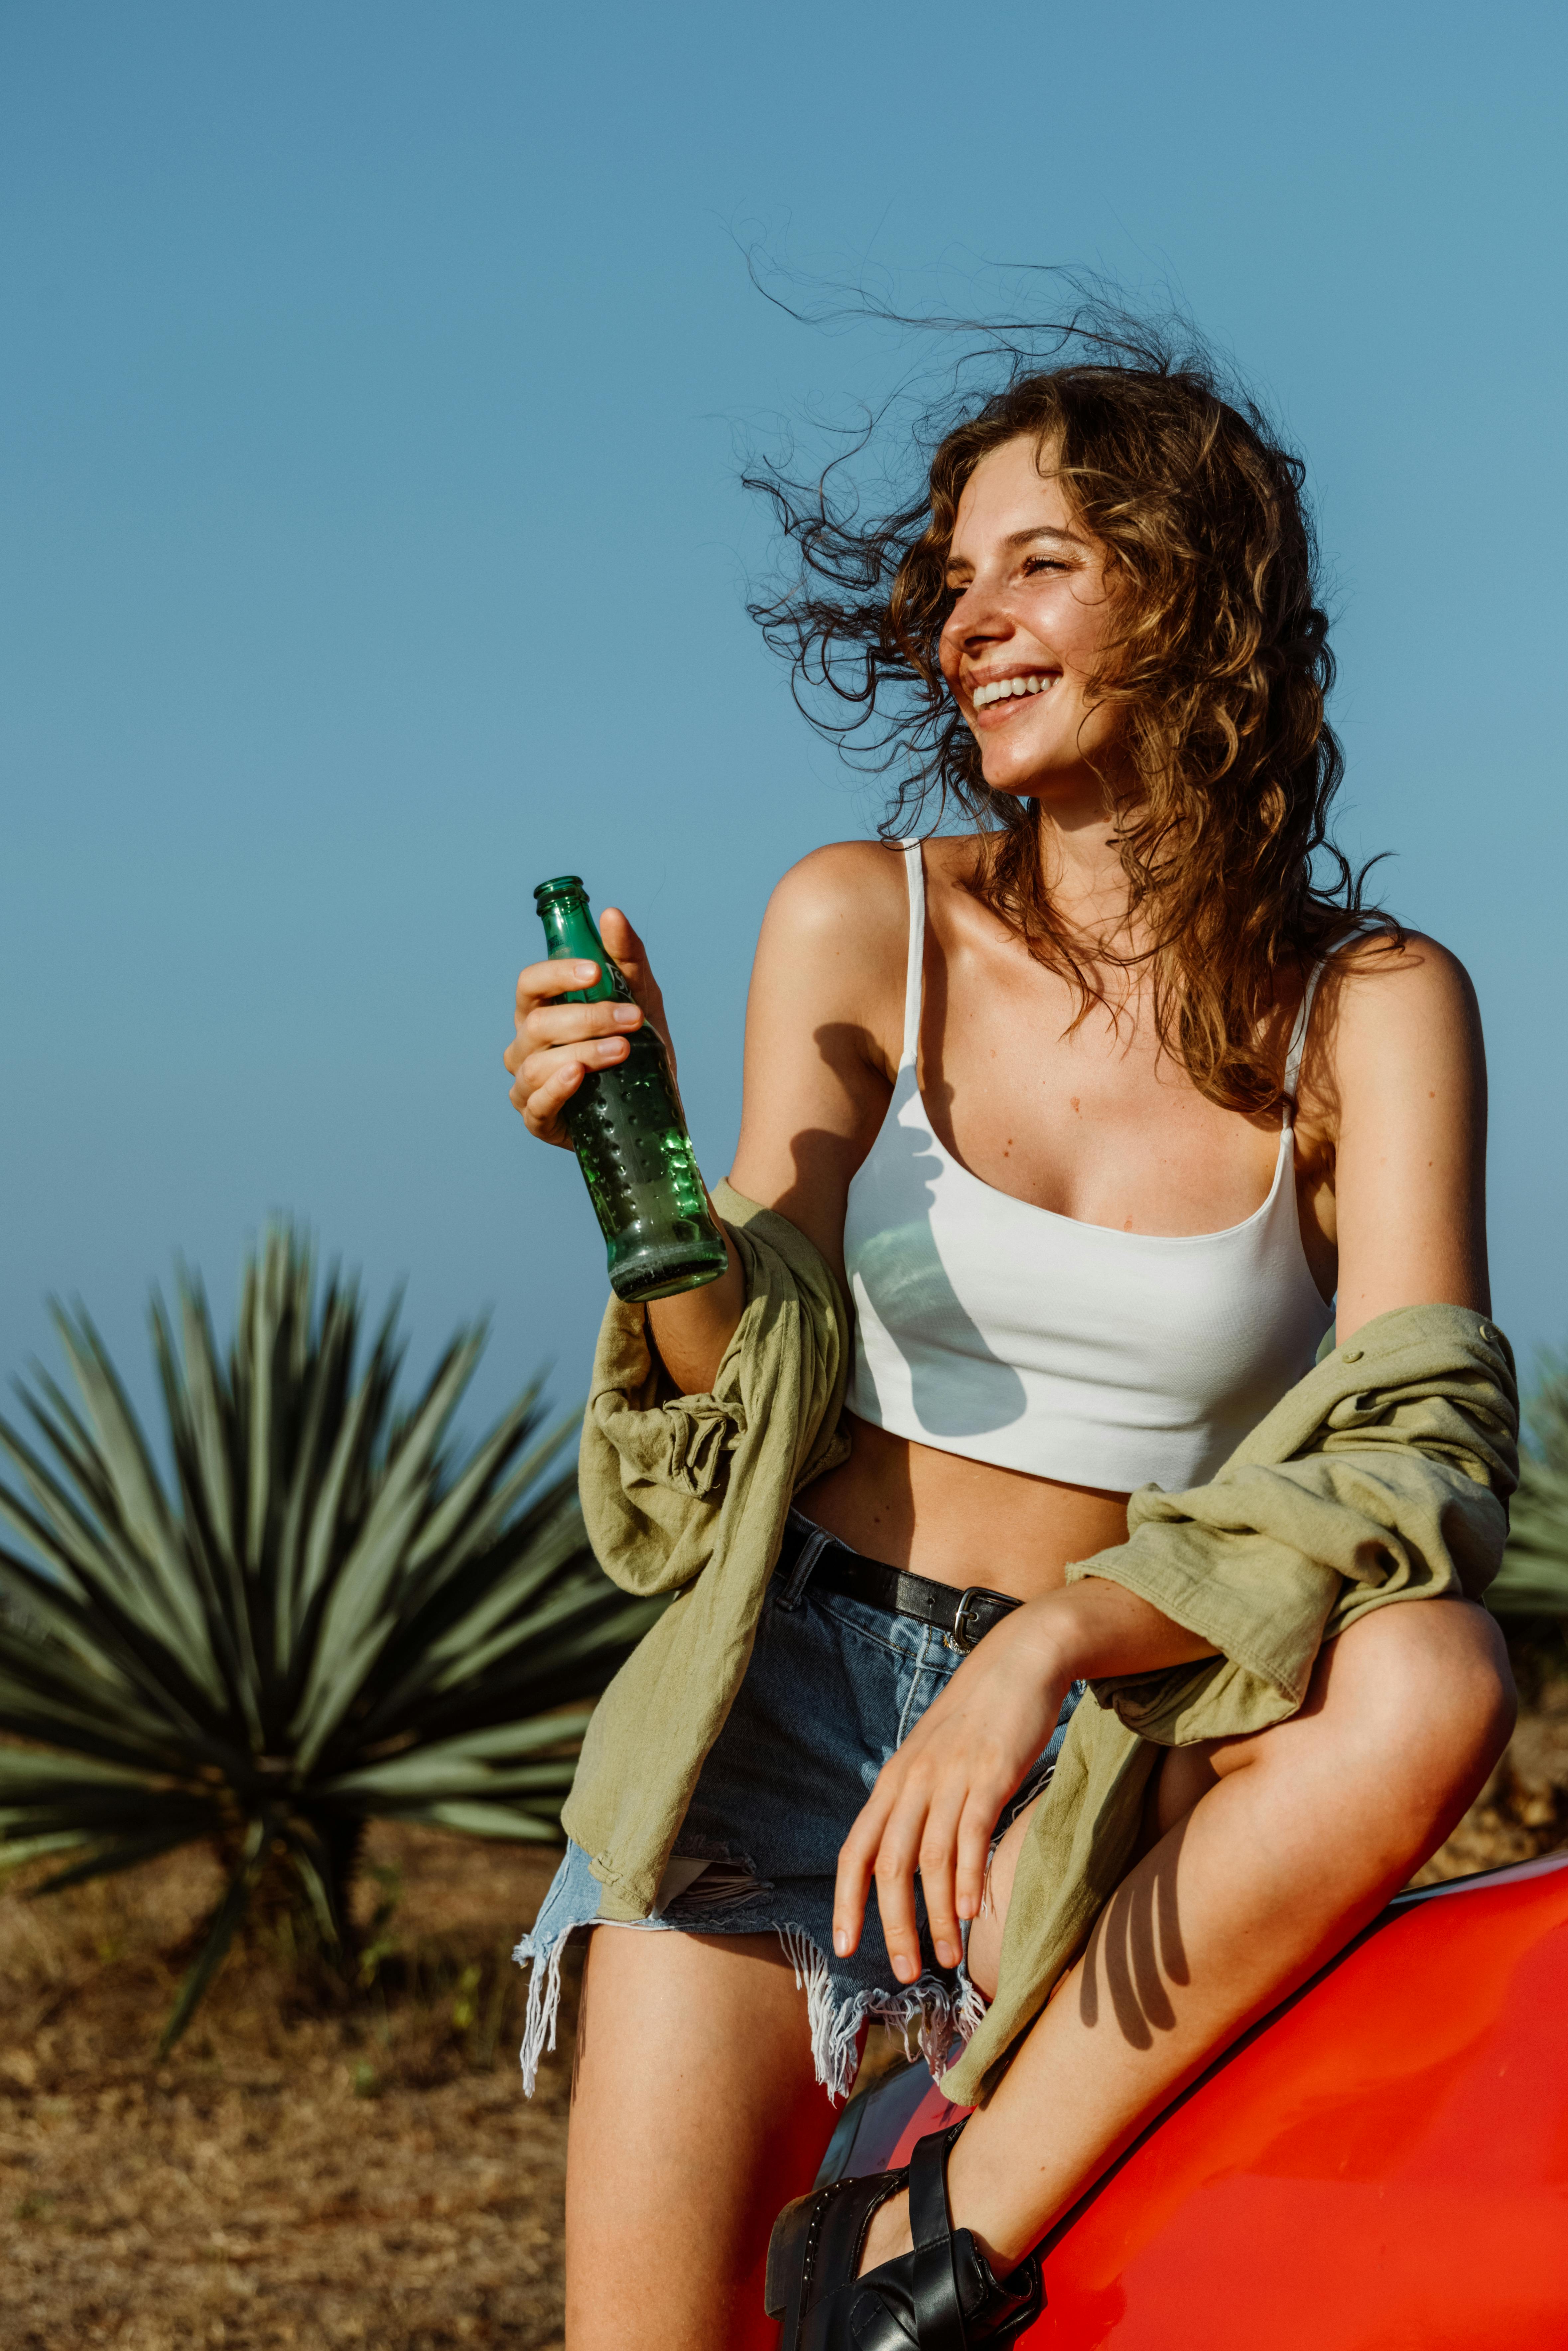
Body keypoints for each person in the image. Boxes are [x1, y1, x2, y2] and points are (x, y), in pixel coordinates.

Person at [505, 344, 1515, 2350]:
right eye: (959, 580)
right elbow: (733, 1406)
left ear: (1193, 599)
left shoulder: (1370, 1008)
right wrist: (649, 1195)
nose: (969, 624)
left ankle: (938, 2239)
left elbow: (1418, 1457)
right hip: (787, 1708)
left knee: (1433, 1670)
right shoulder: (861, 918)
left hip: (1113, 1758)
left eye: (1040, 565)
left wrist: (1055, 1645)